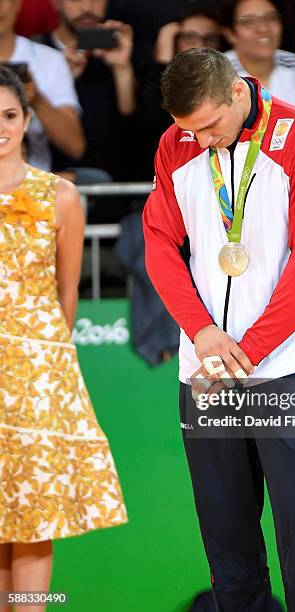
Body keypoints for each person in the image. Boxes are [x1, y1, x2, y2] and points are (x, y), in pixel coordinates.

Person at [143, 48, 295, 611]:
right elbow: (159, 241)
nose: (201, 141)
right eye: (188, 130)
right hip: (206, 371)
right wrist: (202, 332)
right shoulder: (177, 144)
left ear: (239, 91)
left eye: (210, 126)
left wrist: (247, 350)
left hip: (287, 368)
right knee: (228, 545)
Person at [0, 66, 127, 606]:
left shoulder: (61, 197)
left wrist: (40, 361)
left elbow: (66, 294)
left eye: (8, 115)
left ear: (27, 120)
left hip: (36, 376)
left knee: (33, 515)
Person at [39, 0, 136, 184]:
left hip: (115, 189)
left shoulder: (121, 48)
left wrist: (122, 69)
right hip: (51, 191)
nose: (87, 8)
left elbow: (137, 130)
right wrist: (60, 79)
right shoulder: (36, 53)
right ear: (55, 3)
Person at [138, 0, 223, 179]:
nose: (200, 45)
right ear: (176, 41)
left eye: (209, 38)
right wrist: (163, 60)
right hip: (167, 174)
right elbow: (149, 123)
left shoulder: (231, 78)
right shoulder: (158, 77)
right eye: (190, 37)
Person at [0, 0, 84, 172]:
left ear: (17, 5)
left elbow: (75, 146)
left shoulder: (49, 60)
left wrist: (37, 100)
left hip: (34, 190)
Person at [220, 0, 295, 126]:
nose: (263, 29)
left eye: (271, 18)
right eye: (249, 21)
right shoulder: (214, 74)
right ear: (230, 33)